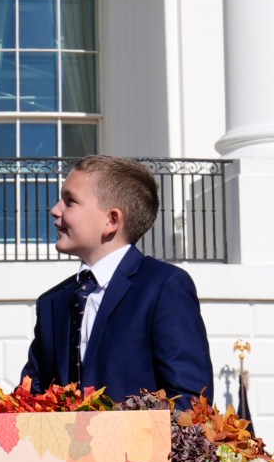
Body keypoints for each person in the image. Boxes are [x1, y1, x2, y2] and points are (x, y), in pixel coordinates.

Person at [19, 155, 213, 403]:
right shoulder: (52, 303)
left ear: (111, 220)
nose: (55, 210)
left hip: (141, 442)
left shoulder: (163, 286)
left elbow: (190, 399)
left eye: (70, 201)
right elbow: (32, 397)